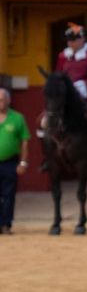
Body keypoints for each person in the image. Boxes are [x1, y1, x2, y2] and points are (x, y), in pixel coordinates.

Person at [0, 88, 27, 235]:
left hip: (10, 162)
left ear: (8, 101)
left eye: (2, 100)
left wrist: (23, 162)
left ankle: (6, 225)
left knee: (8, 195)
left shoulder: (17, 118)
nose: (0, 103)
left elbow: (24, 141)